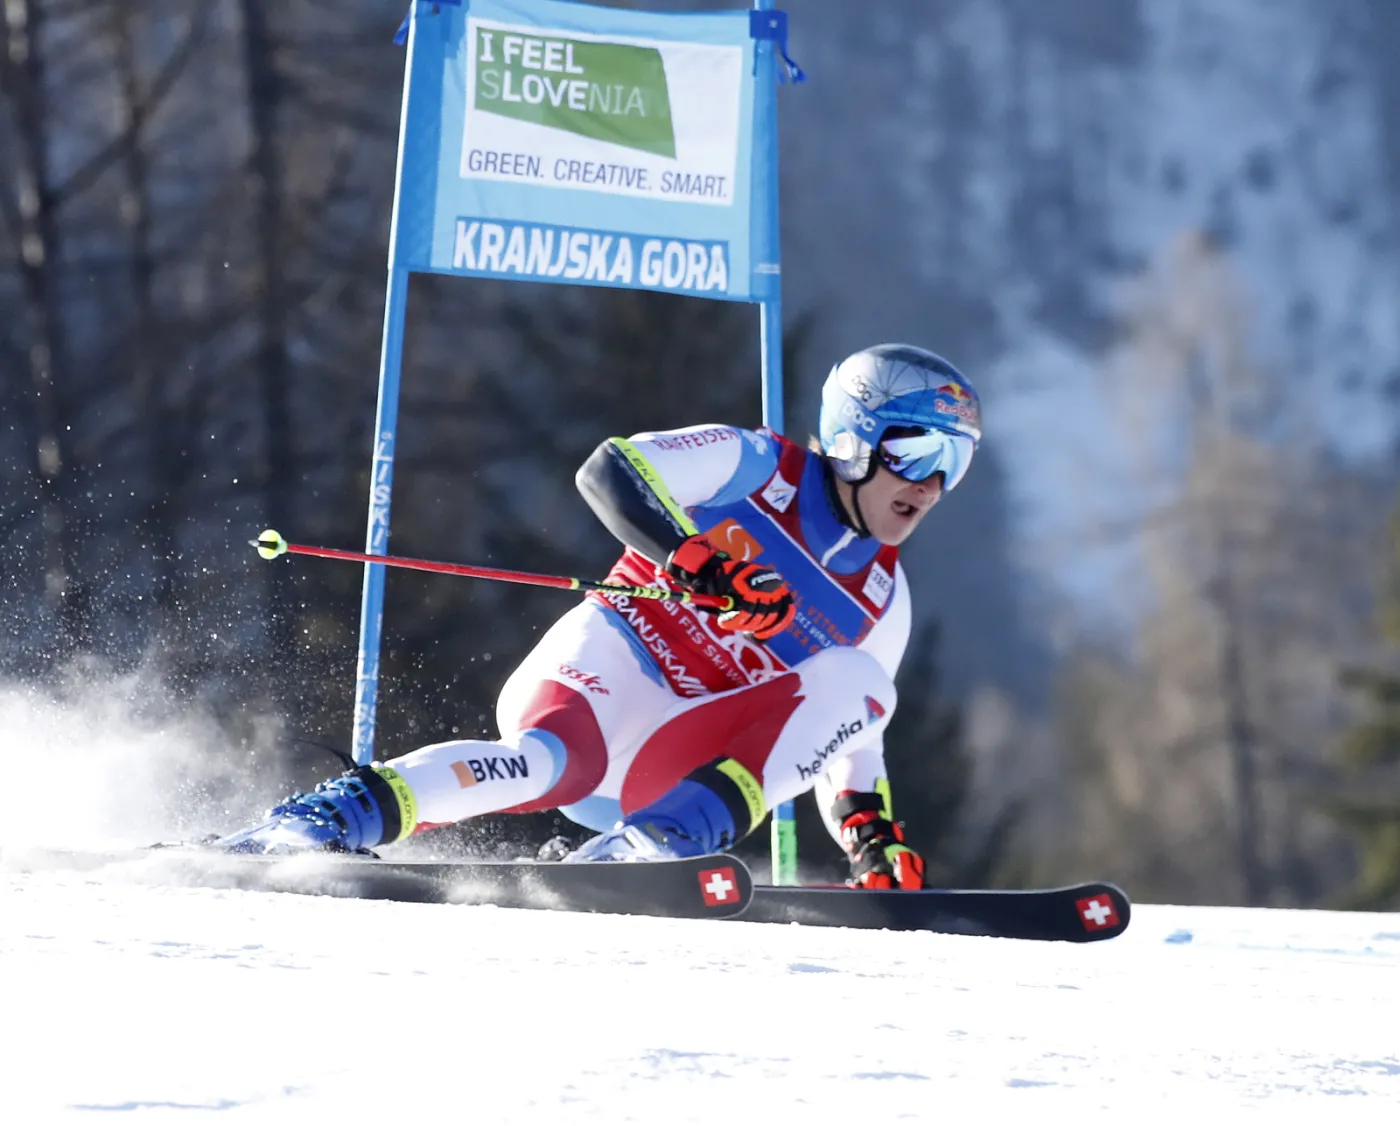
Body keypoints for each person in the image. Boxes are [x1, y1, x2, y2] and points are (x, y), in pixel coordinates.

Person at [217, 343, 982, 890]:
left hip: (676, 758)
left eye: (956, 462)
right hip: (611, 666)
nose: (933, 484)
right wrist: (699, 563)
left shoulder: (883, 599)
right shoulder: (753, 464)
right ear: (852, 437)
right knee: (547, 762)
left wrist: (868, 836)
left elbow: (846, 734)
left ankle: (661, 842)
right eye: (917, 453)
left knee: (863, 682)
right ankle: (325, 821)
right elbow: (611, 469)